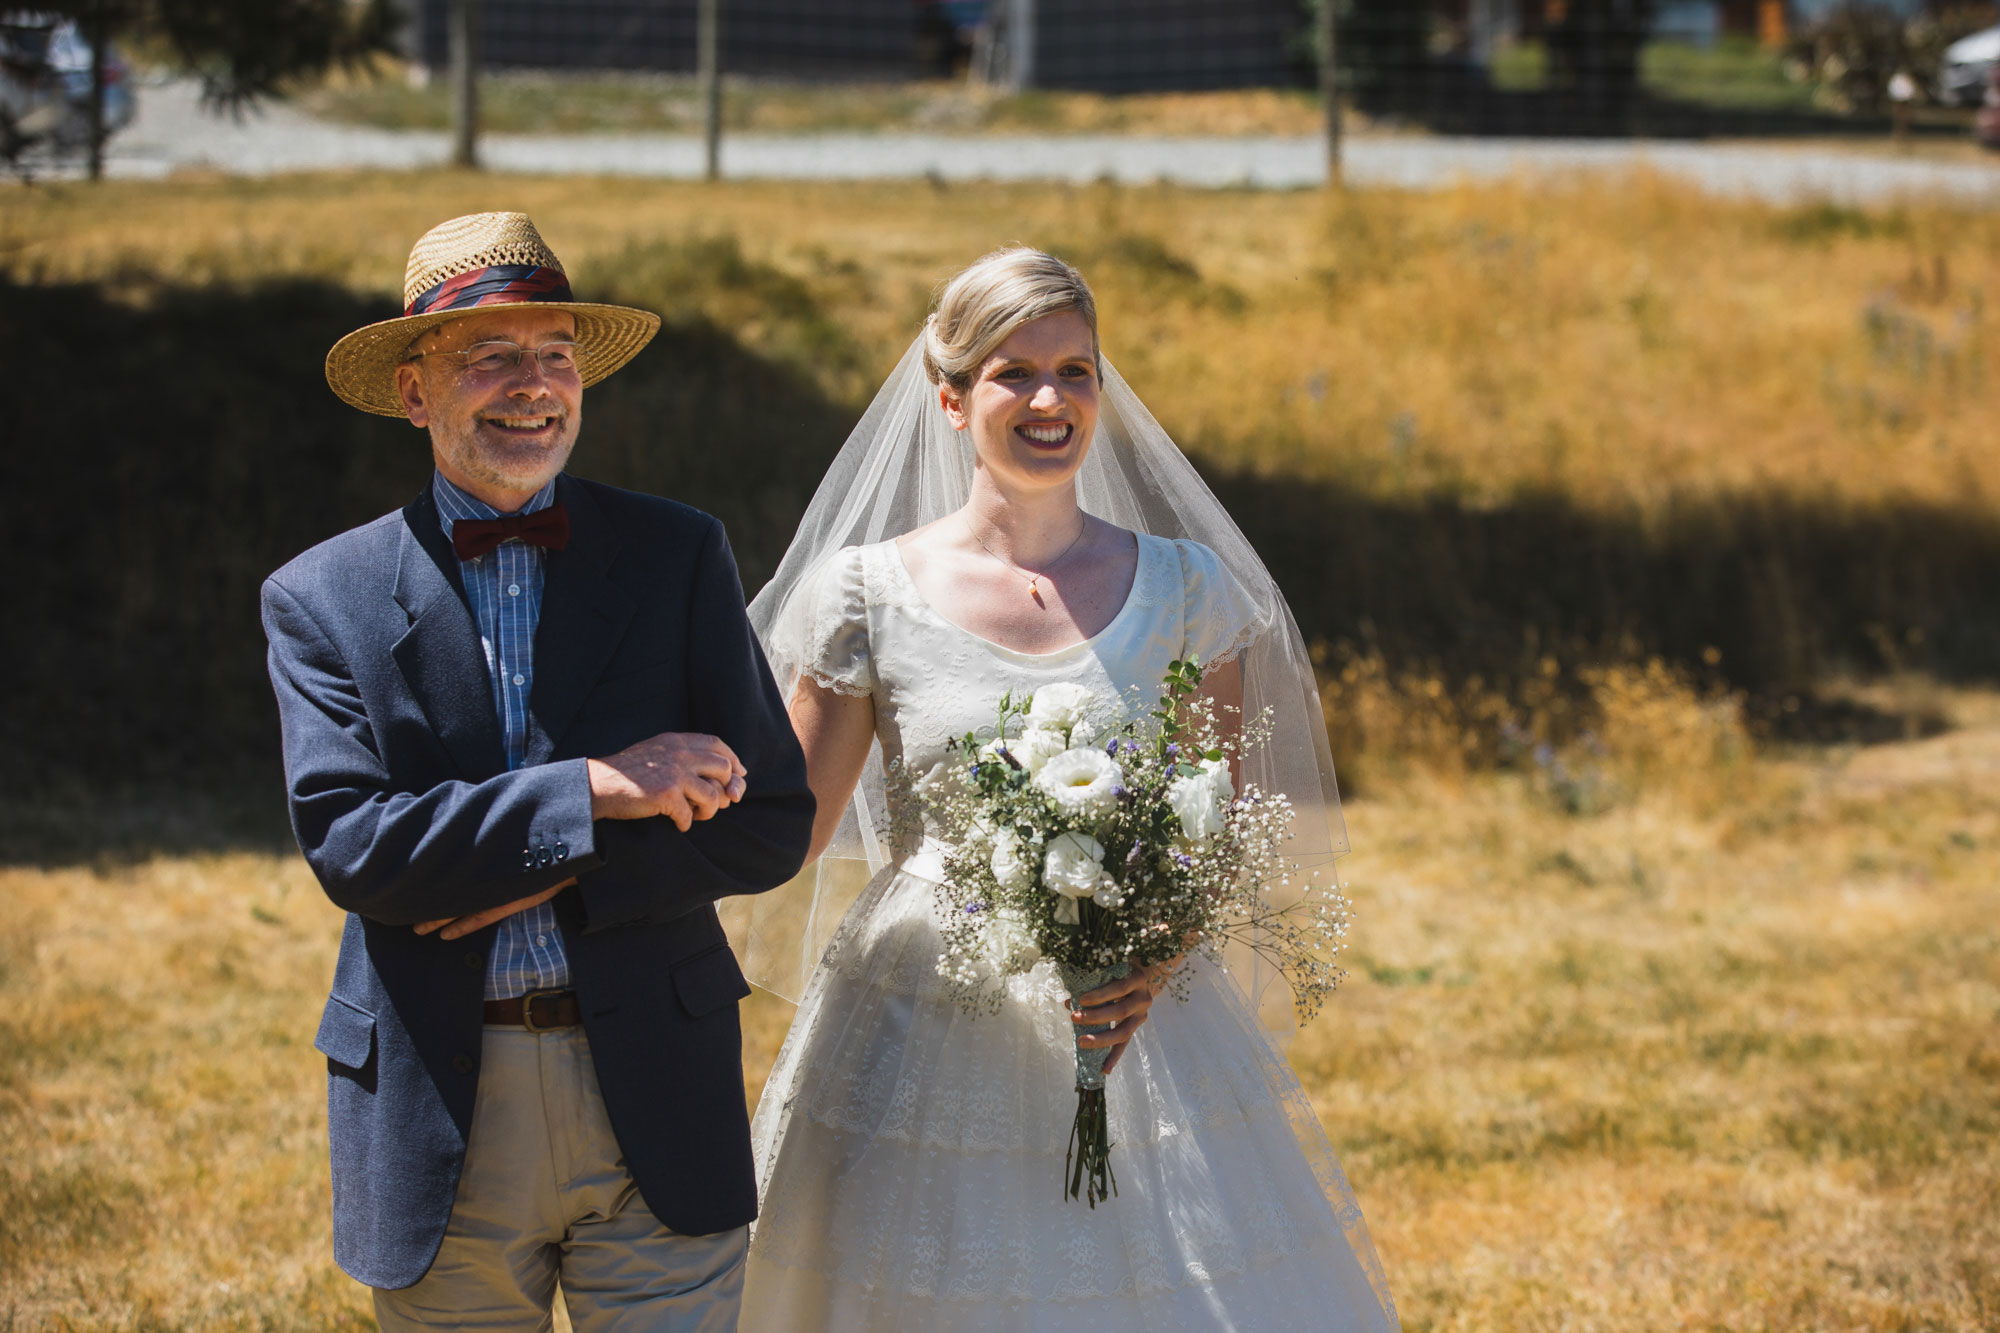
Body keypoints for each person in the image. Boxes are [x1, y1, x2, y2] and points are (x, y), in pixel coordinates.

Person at [739, 248, 1399, 1329]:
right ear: (949, 399)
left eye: (1076, 370)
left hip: (1135, 1013)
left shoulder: (1185, 590)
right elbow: (792, 827)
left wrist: (1155, 955)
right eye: (1012, 373)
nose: (1050, 399)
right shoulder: (865, 594)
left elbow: (1214, 824)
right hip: (921, 1000)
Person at [261, 211, 814, 1330]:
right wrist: (596, 791)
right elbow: (357, 849)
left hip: (656, 1074)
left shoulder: (676, 552)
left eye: (555, 356)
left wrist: (542, 868)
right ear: (415, 392)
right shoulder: (322, 596)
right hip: (439, 1092)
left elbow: (770, 821)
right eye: (492, 358)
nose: (534, 385)